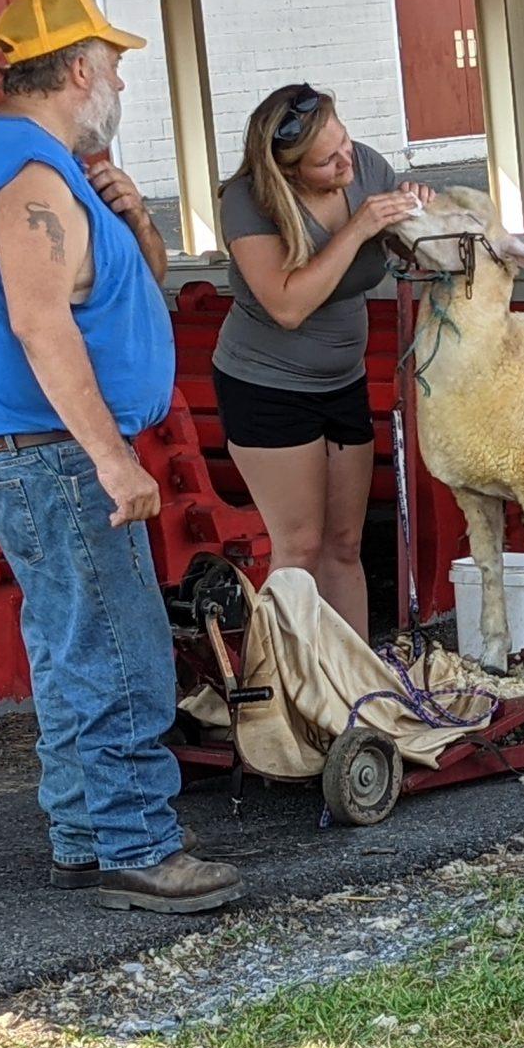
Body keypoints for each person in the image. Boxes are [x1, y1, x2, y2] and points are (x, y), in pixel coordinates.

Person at [0, 0, 242, 913]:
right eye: (111, 65)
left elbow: (109, 294)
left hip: (36, 449)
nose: (120, 82)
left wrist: (137, 220)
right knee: (119, 647)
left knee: (73, 643)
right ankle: (137, 843)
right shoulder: (30, 177)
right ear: (77, 71)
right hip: (57, 452)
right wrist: (113, 457)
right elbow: (42, 325)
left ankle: (85, 830)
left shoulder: (29, 162)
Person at [211, 83, 427, 637]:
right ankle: (283, 690)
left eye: (345, 143)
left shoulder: (366, 168)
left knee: (344, 544)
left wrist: (413, 219)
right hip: (267, 384)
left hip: (343, 378)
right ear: (287, 170)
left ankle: (353, 687)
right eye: (326, 160)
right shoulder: (248, 200)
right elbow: (287, 304)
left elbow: (403, 253)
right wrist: (358, 228)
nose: (345, 162)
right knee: (299, 545)